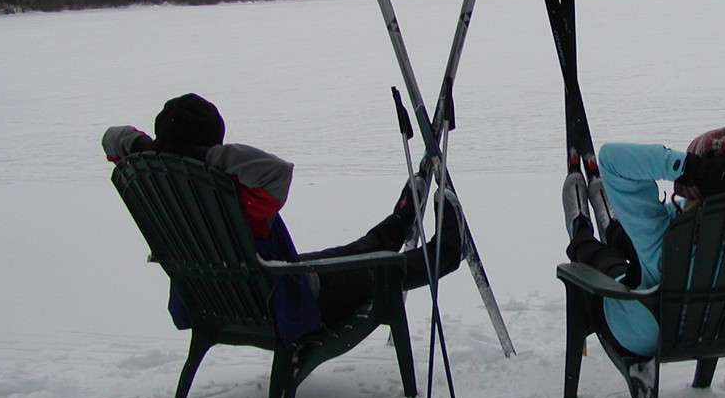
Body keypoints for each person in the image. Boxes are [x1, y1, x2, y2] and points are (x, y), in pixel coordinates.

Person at [103, 93, 464, 343]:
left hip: (222, 297)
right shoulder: (233, 197)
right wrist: (206, 157)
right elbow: (277, 173)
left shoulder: (153, 189)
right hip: (284, 302)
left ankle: (399, 220)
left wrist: (157, 150)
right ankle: (448, 248)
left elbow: (111, 139)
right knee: (382, 267)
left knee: (358, 250)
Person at [561, 127, 725, 359]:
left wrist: (691, 167)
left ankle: (582, 231)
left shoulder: (663, 231)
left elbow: (611, 159)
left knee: (604, 262)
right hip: (721, 328)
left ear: (692, 183)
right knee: (633, 244)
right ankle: (613, 229)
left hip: (646, 335)